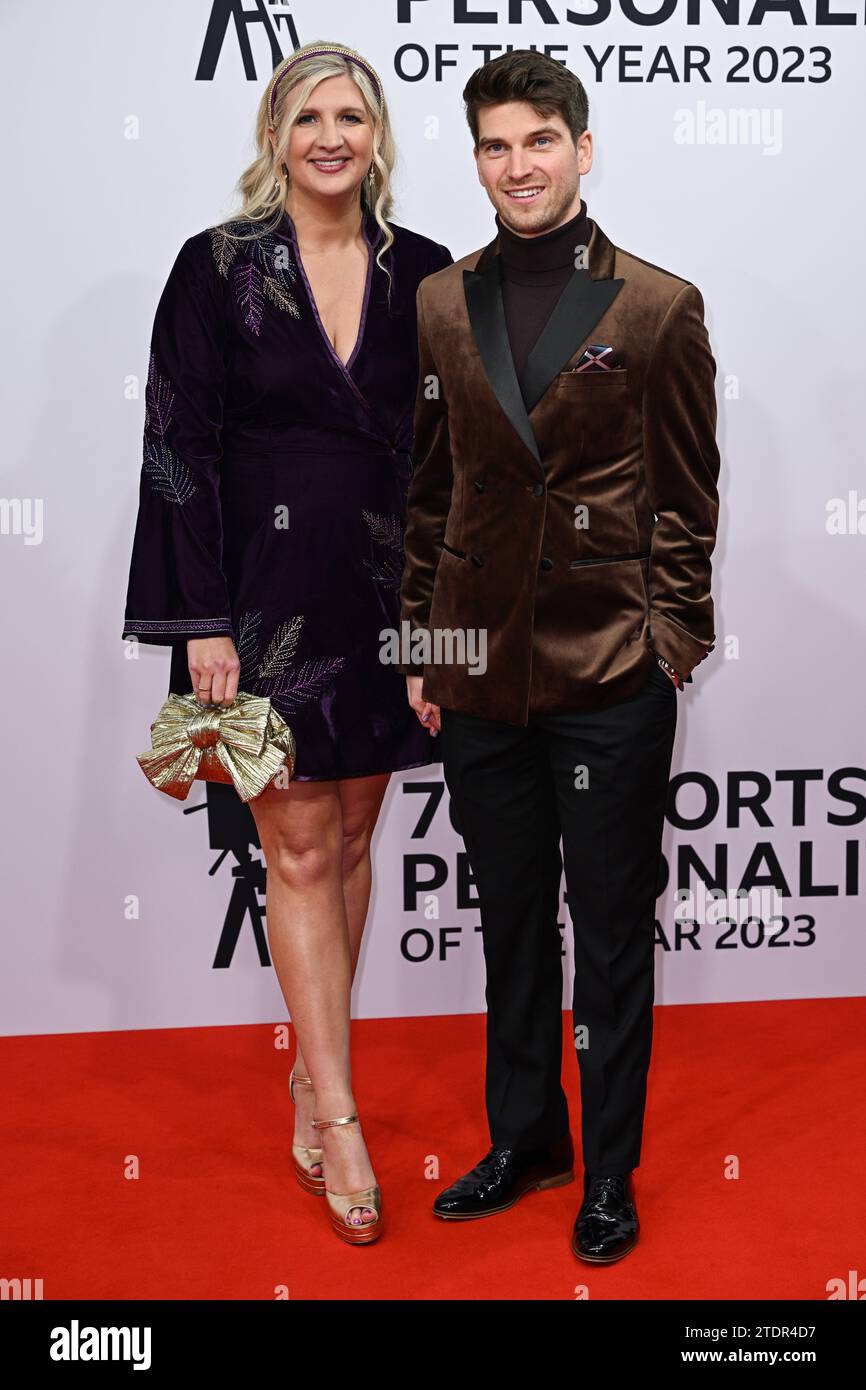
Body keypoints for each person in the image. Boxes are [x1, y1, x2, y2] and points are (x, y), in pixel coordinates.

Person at [122, 40, 451, 1245]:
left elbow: (445, 464)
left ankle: (314, 1075)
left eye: (352, 116)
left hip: (380, 596)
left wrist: (436, 626)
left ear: (376, 137)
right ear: (274, 133)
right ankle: (341, 1111)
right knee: (299, 851)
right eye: (309, 115)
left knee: (354, 835)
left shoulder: (422, 271)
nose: (331, 136)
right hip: (256, 606)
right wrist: (197, 619)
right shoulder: (213, 271)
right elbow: (176, 446)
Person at [398, 49, 720, 1262]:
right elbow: (430, 490)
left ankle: (607, 1171)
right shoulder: (440, 298)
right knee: (511, 921)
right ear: (474, 158)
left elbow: (688, 494)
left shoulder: (654, 304)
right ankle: (524, 1137)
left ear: (582, 151)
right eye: (494, 145)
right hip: (477, 670)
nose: (516, 165)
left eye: (538, 141)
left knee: (613, 928)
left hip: (607, 675)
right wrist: (421, 645)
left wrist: (669, 643)